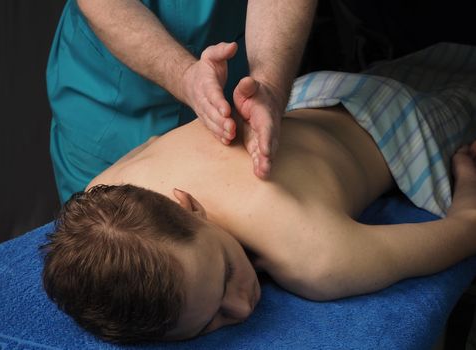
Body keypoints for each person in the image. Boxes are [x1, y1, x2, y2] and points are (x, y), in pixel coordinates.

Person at [41, 43, 476, 343]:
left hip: (397, 128)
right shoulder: (106, 189)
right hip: (305, 97)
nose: (242, 307)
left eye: (228, 272)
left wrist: (467, 180)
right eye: (211, 321)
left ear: (191, 207)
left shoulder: (317, 258)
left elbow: (467, 227)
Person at [46, 0, 317, 203]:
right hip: (107, 99)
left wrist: (269, 85)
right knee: (113, 252)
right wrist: (184, 75)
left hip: (234, 83)